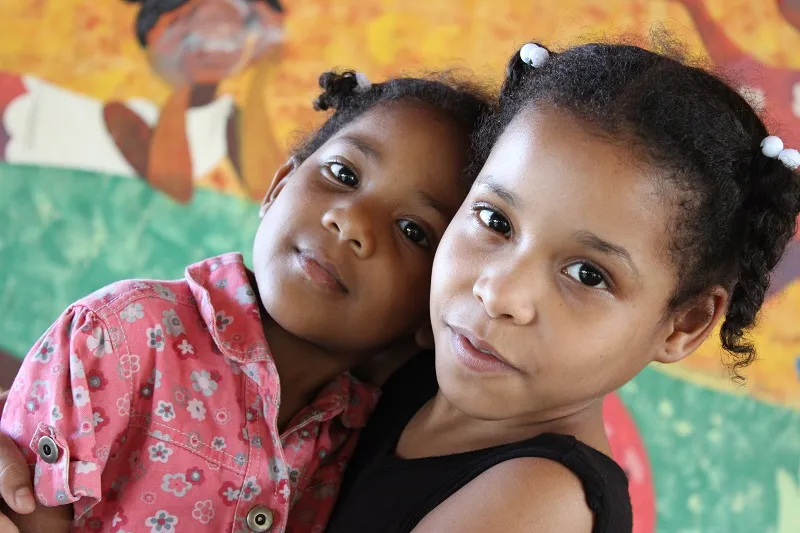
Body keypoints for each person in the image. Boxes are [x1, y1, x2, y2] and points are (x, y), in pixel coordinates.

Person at [323, 41, 800, 533]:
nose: (500, 294)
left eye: (588, 275)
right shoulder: (407, 366)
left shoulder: (539, 503)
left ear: (685, 323)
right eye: (495, 221)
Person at [0, 68, 492, 533]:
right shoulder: (120, 334)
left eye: (412, 231)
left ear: (435, 307)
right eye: (343, 174)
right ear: (278, 189)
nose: (352, 222)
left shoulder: (359, 442)